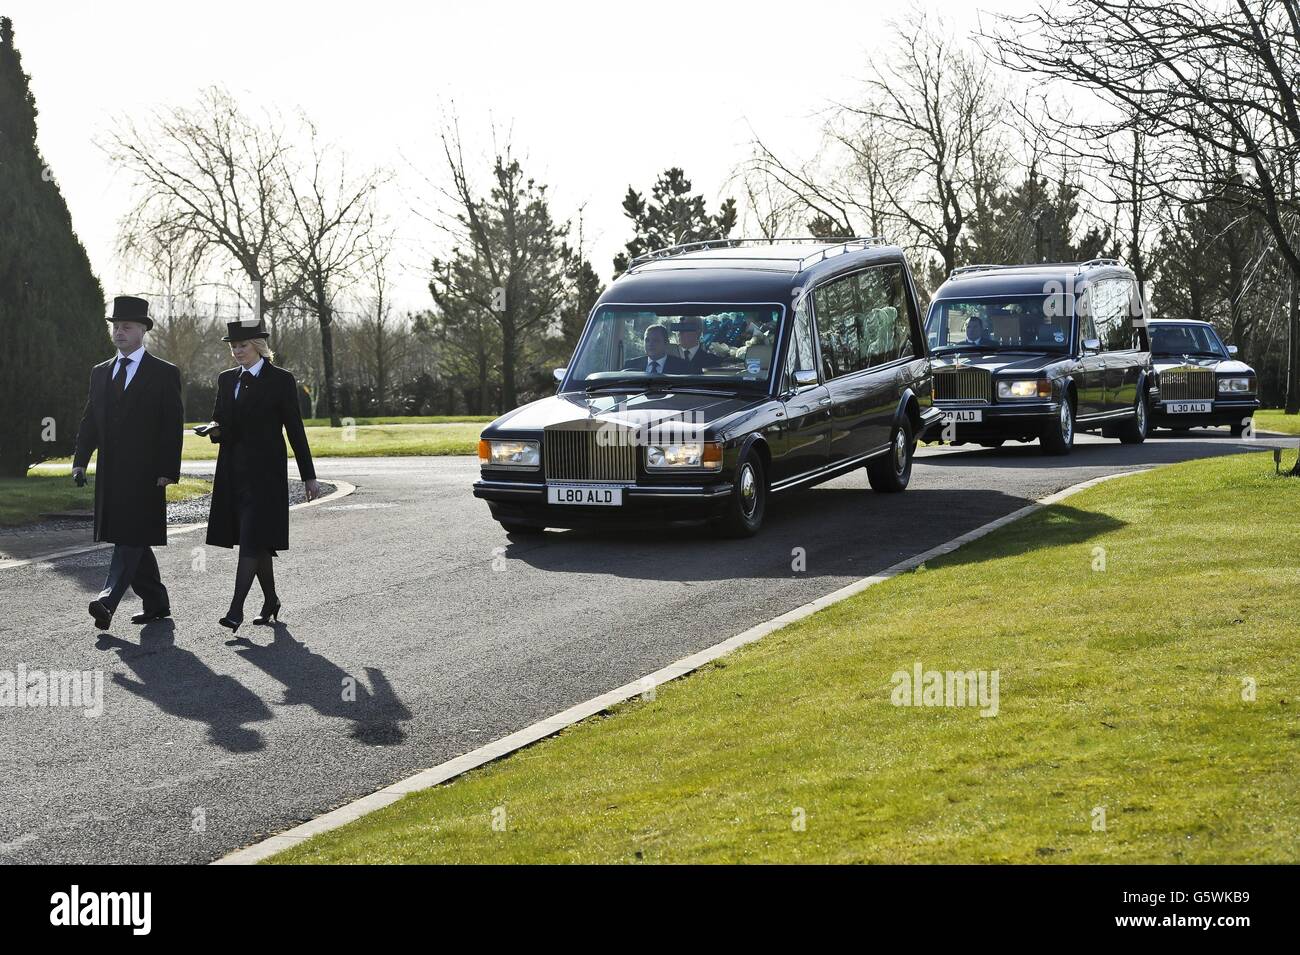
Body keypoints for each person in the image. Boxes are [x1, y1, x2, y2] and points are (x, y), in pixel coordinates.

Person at [73, 296, 184, 630]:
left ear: (142, 331)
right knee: (133, 537)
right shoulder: (100, 373)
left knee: (129, 538)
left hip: (148, 475)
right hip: (112, 475)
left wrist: (168, 469)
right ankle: (157, 602)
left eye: (127, 327)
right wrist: (80, 461)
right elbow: (90, 420)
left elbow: (171, 425)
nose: (120, 332)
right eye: (116, 326)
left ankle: (107, 601)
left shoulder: (164, 373)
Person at [202, 322, 320, 634]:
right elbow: (222, 421)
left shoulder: (280, 380)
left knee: (253, 540)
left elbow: (295, 428)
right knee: (258, 542)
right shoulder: (227, 380)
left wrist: (309, 476)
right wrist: (214, 430)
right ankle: (271, 601)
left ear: (257, 345)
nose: (236, 350)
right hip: (232, 473)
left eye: (242, 345)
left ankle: (235, 609)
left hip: (266, 476)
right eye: (233, 346)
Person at [622, 324, 689, 373]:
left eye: (656, 340)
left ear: (666, 343)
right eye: (647, 340)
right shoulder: (630, 365)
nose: (650, 344)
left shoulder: (683, 366)